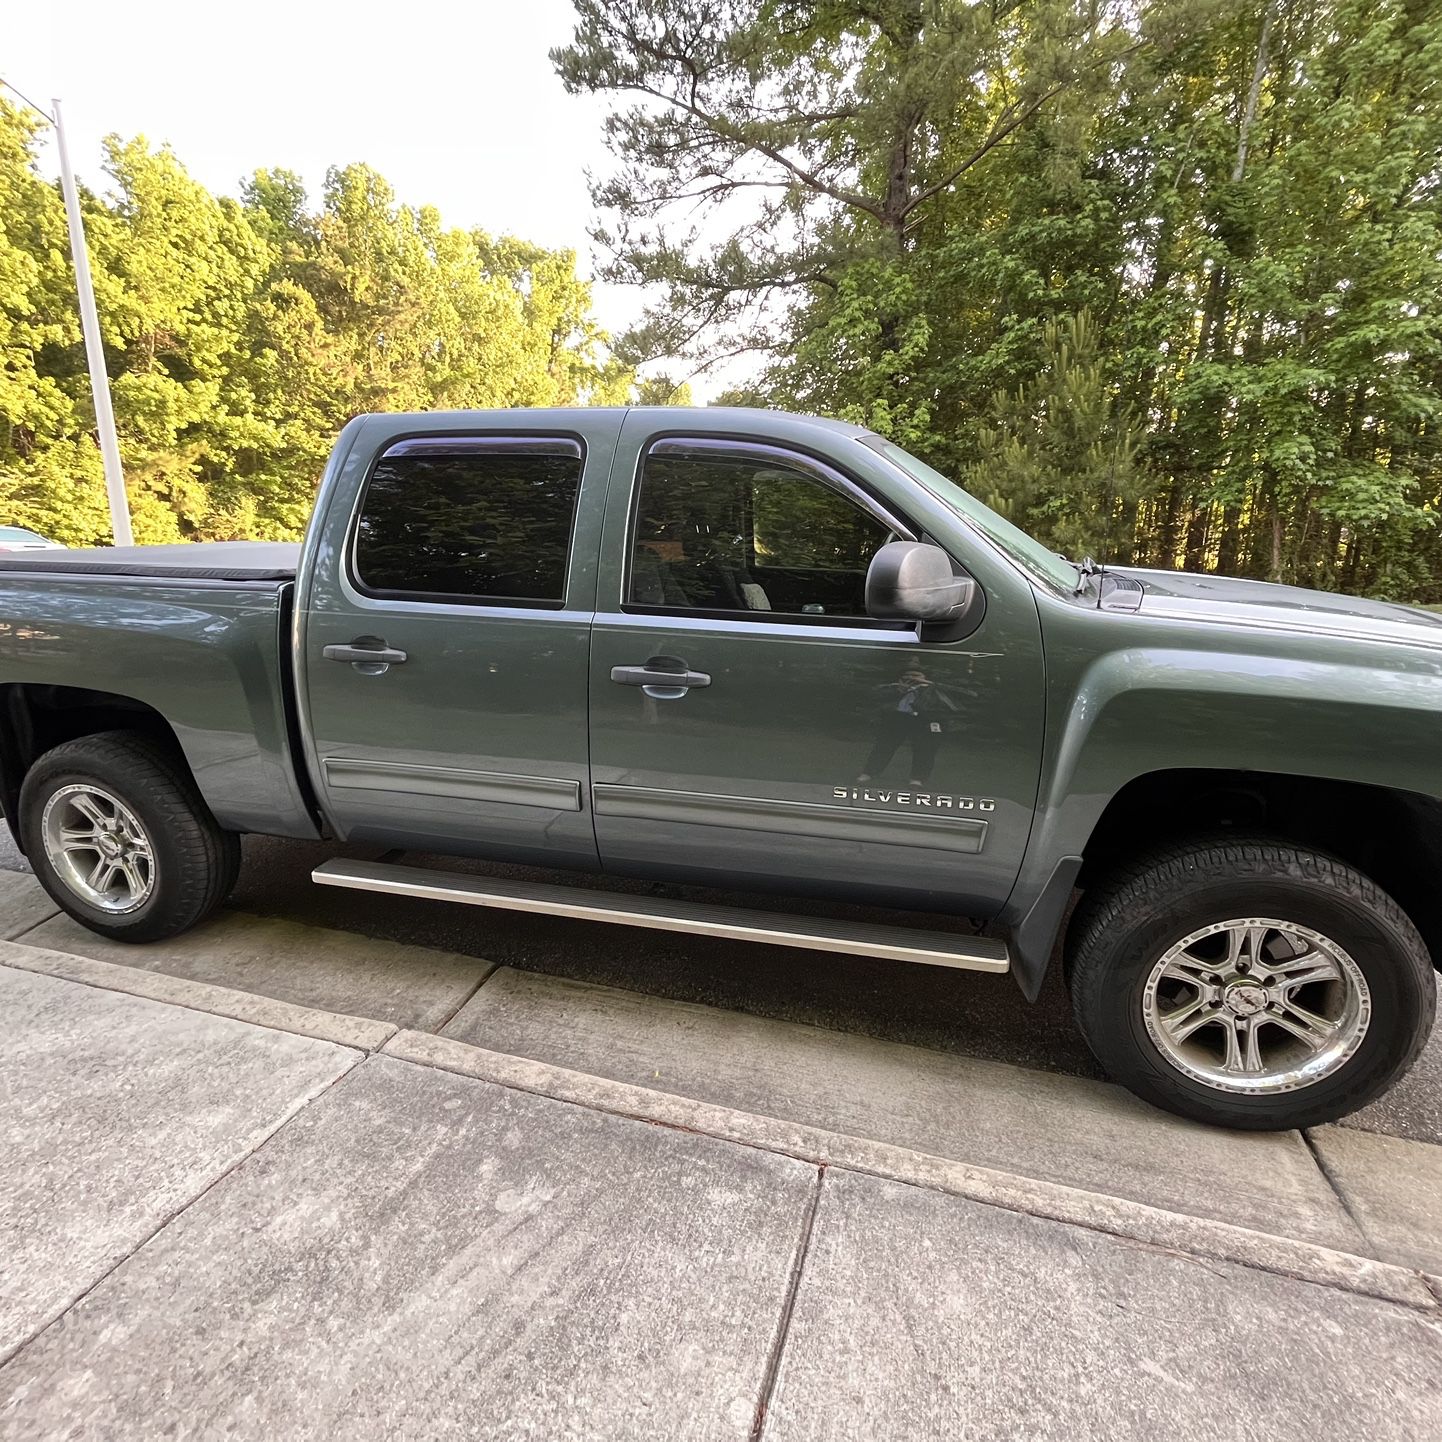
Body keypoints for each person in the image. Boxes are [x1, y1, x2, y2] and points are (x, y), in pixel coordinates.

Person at [857, 665, 959, 788]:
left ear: (924, 678)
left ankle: (917, 778)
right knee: (884, 746)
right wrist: (899, 691)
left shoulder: (933, 689)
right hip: (898, 718)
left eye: (916, 676)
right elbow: (878, 698)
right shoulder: (894, 687)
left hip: (923, 720)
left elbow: (943, 703)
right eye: (907, 676)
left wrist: (926, 687)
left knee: (924, 749)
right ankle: (869, 773)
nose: (911, 678)